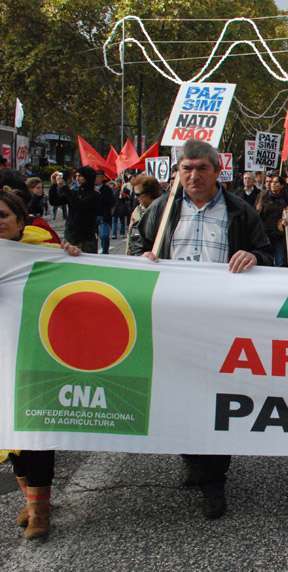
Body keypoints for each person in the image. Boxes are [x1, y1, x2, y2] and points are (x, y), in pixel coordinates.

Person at [128, 140, 273, 519]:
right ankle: (193, 458)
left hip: (221, 323)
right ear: (178, 172)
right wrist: (143, 257)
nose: (193, 176)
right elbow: (138, 244)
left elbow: (268, 253)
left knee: (216, 398)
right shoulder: (163, 209)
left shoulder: (239, 211)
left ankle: (214, 480)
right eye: (186, 169)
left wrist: (253, 256)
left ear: (217, 171)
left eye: (201, 168)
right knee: (178, 394)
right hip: (172, 322)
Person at [0, 189, 81, 540]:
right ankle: (30, 500)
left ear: (20, 220)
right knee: (7, 432)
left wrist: (71, 258)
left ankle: (39, 511)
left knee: (34, 428)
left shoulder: (44, 252)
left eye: (3, 215)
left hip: (35, 354)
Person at [49, 166, 99, 253]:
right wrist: (54, 185)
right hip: (71, 235)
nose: (77, 178)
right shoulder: (75, 192)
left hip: (86, 238)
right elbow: (55, 201)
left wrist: (64, 187)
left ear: (88, 177)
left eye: (80, 176)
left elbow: (79, 205)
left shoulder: (94, 195)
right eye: (76, 176)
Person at [256, 175, 288, 267]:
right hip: (265, 235)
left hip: (279, 235)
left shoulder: (286, 199)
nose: (273, 184)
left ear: (282, 185)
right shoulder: (263, 196)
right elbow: (256, 214)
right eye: (272, 182)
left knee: (280, 262)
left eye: (276, 182)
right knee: (265, 261)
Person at [126, 174, 162, 255]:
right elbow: (131, 237)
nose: (136, 198)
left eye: (138, 194)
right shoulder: (137, 210)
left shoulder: (163, 210)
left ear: (149, 193)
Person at [94, 172, 115, 254]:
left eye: (99, 177)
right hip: (93, 216)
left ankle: (105, 251)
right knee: (92, 237)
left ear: (102, 178)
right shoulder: (90, 188)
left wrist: (110, 213)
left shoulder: (107, 189)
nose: (97, 179)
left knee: (104, 236)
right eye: (96, 177)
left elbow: (112, 202)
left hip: (104, 216)